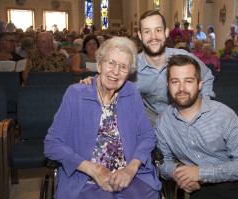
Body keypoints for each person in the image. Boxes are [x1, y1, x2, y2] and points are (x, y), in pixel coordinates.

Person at [44, 37, 161, 199]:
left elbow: (147, 136)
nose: (115, 71)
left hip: (130, 177)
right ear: (99, 64)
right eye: (111, 63)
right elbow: (52, 144)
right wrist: (94, 170)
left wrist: (130, 169)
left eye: (123, 67)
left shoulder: (131, 93)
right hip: (85, 179)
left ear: (129, 73)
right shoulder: (76, 94)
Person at [155, 54, 238, 199]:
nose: (181, 88)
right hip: (200, 189)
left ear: (200, 84)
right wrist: (180, 173)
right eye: (175, 81)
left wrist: (201, 173)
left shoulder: (223, 115)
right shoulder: (163, 122)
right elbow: (163, 163)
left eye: (188, 81)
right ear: (168, 85)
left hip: (237, 182)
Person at [81, 10, 214, 126]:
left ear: (166, 32)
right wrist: (93, 82)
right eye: (147, 31)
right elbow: (112, 78)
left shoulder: (184, 58)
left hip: (184, 117)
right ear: (140, 35)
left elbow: (207, 76)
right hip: (152, 121)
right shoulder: (132, 65)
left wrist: (203, 107)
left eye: (158, 30)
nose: (153, 37)